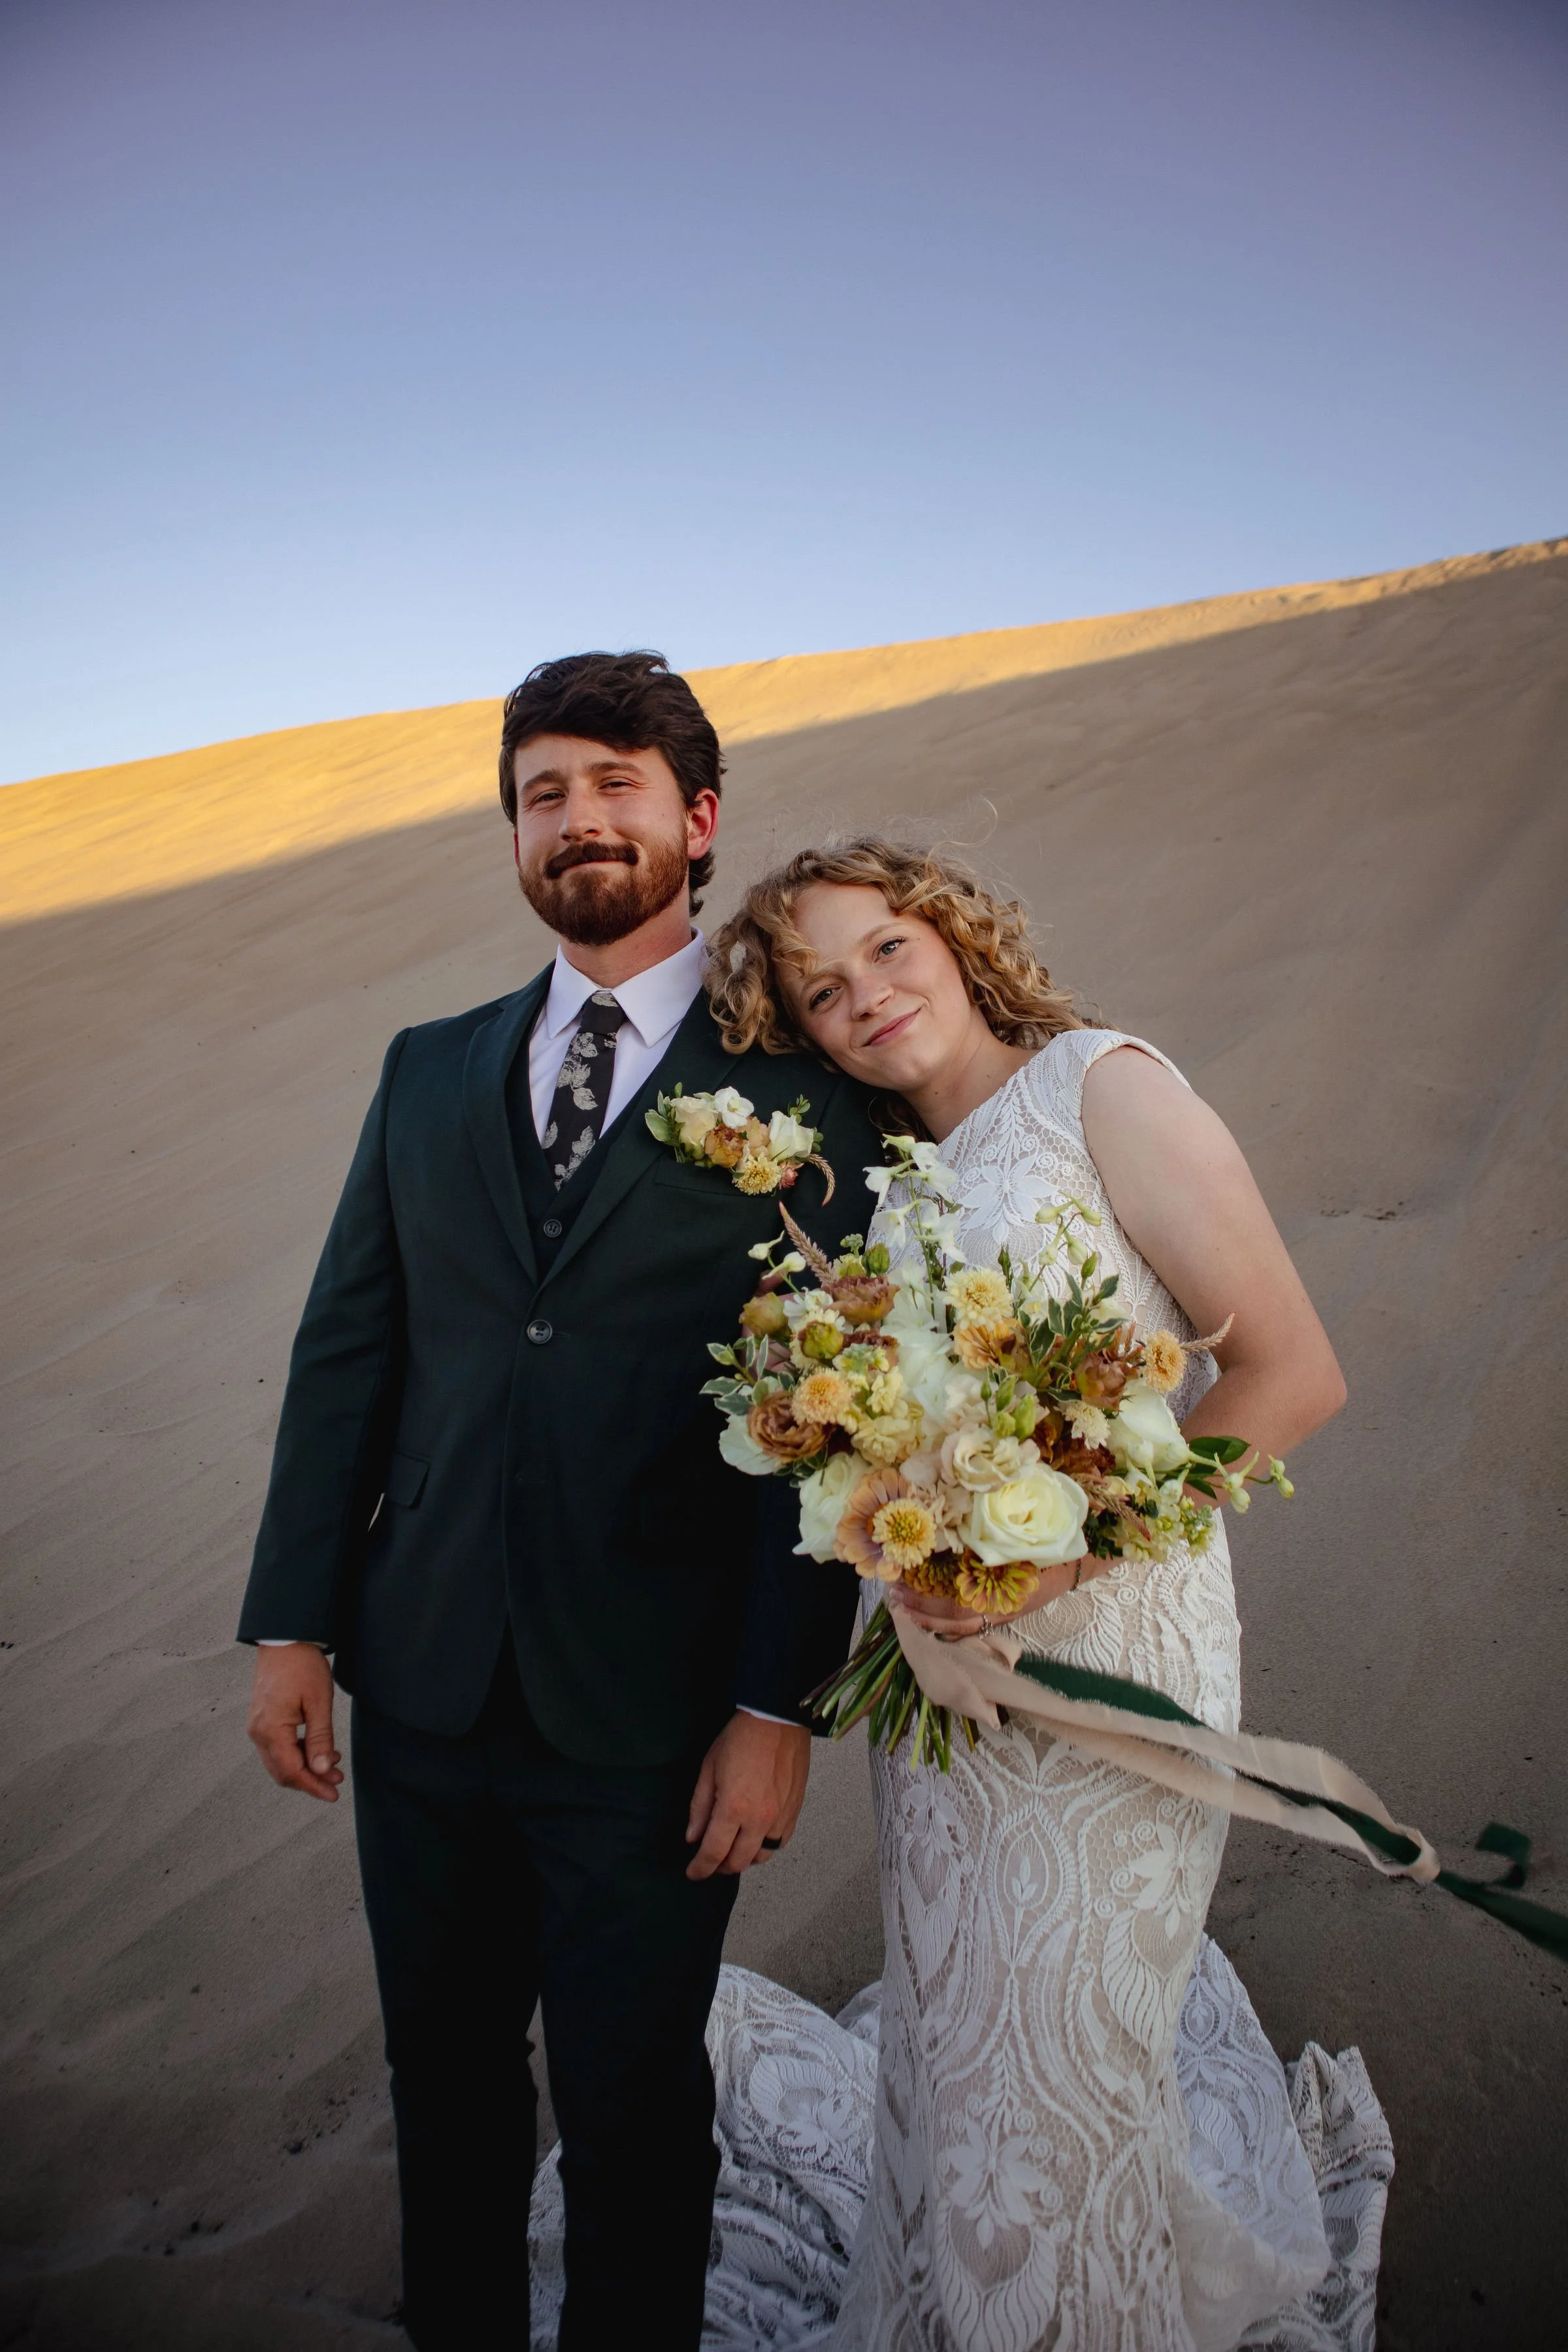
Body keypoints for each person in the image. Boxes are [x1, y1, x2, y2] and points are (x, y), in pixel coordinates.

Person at [237, 654, 878, 2351]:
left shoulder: (809, 1110)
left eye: (614, 786)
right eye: (544, 794)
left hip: (653, 1727)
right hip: (423, 1691)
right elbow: (344, 1357)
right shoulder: (426, 1070)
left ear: (698, 818)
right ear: (515, 834)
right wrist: (292, 1619)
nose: (578, 820)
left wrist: (774, 1700)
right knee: (441, 2095)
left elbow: (827, 1433)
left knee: (632, 2112)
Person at [702, 837, 1359, 2352]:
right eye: (818, 991)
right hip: (945, 1685)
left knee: (1067, 2058)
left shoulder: (1099, 1087)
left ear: (950, 933)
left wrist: (1067, 1550)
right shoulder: (877, 1187)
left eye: (884, 949)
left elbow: (1291, 1375)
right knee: (962, 2050)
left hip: (1123, 1649)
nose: (863, 996)